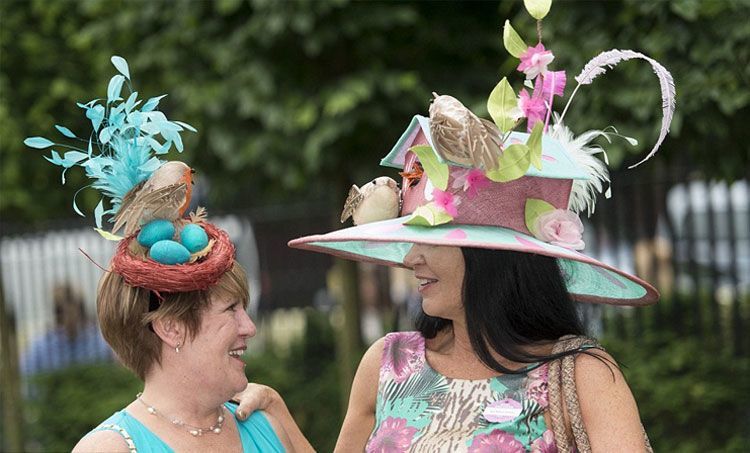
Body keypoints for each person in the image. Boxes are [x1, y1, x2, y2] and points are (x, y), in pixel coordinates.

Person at [234, 3, 674, 451]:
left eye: (429, 240)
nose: (408, 259)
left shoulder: (584, 376)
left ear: (493, 256)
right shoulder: (387, 364)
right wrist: (277, 414)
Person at [27, 56, 312, 453]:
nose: (250, 326)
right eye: (231, 309)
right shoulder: (110, 449)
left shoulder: (267, 423)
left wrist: (280, 412)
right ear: (170, 328)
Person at [20, 283, 112, 375]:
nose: (69, 318)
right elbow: (27, 377)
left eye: (72, 311)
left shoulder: (100, 343)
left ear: (80, 311)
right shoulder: (39, 349)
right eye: (63, 311)